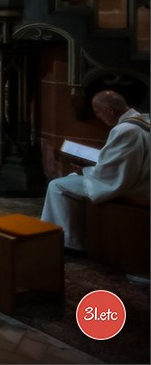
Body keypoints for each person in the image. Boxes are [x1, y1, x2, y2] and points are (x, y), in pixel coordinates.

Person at [41, 90, 151, 252]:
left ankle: (70, 243)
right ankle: (80, 234)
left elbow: (111, 175)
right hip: (142, 181)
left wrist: (85, 169)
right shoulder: (144, 120)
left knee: (57, 186)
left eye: (98, 112)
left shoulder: (124, 130)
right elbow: (121, 163)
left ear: (110, 111)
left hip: (132, 188)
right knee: (71, 179)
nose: (98, 116)